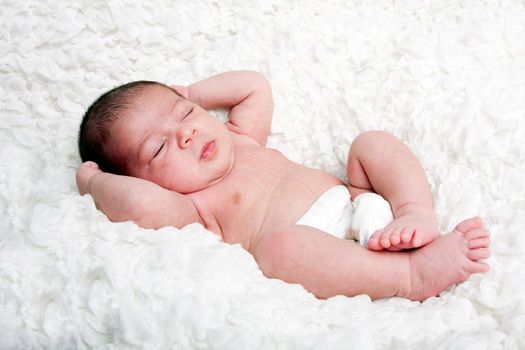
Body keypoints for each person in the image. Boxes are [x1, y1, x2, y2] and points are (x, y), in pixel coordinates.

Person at [76, 71, 491, 301]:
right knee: (278, 250)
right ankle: (411, 274)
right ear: (141, 180)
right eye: (159, 147)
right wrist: (95, 182)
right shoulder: (191, 208)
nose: (184, 134)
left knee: (371, 144)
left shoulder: (240, 139)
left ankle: (414, 210)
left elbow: (255, 86)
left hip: (360, 201)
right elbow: (140, 206)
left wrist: (193, 92)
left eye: (185, 114)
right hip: (320, 249)